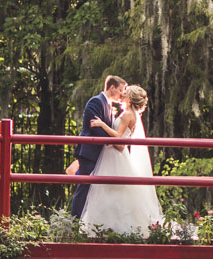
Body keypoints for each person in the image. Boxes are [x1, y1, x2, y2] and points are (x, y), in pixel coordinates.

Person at [77, 85, 164, 236]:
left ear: (130, 98)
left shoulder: (126, 115)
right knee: (114, 190)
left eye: (126, 93)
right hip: (114, 154)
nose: (123, 94)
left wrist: (102, 124)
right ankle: (112, 228)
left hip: (115, 155)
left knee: (112, 190)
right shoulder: (131, 114)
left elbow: (118, 137)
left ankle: (111, 229)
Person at [69, 75, 126, 217]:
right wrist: (114, 142)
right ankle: (74, 222)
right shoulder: (96, 101)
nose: (122, 94)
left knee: (95, 189)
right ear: (111, 87)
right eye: (120, 90)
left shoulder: (108, 105)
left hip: (100, 154)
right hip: (89, 152)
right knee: (84, 188)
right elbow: (95, 129)